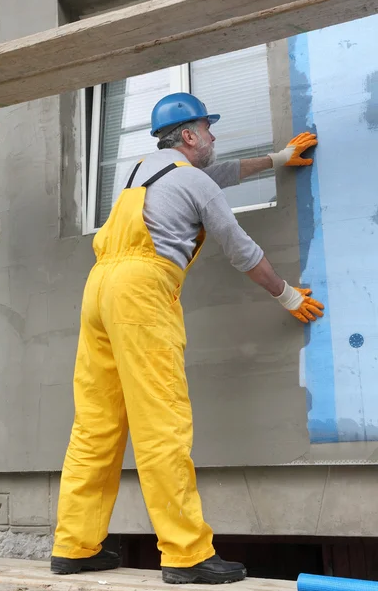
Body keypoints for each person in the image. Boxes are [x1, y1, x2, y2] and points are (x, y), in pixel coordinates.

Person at [51, 93, 323, 583]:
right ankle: (186, 554)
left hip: (99, 291)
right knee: (162, 423)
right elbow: (240, 248)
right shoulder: (192, 179)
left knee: (96, 426)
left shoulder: (141, 170)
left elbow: (224, 175)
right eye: (209, 128)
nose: (216, 136)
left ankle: (74, 546)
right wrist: (285, 295)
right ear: (190, 136)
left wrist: (278, 159)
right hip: (141, 293)